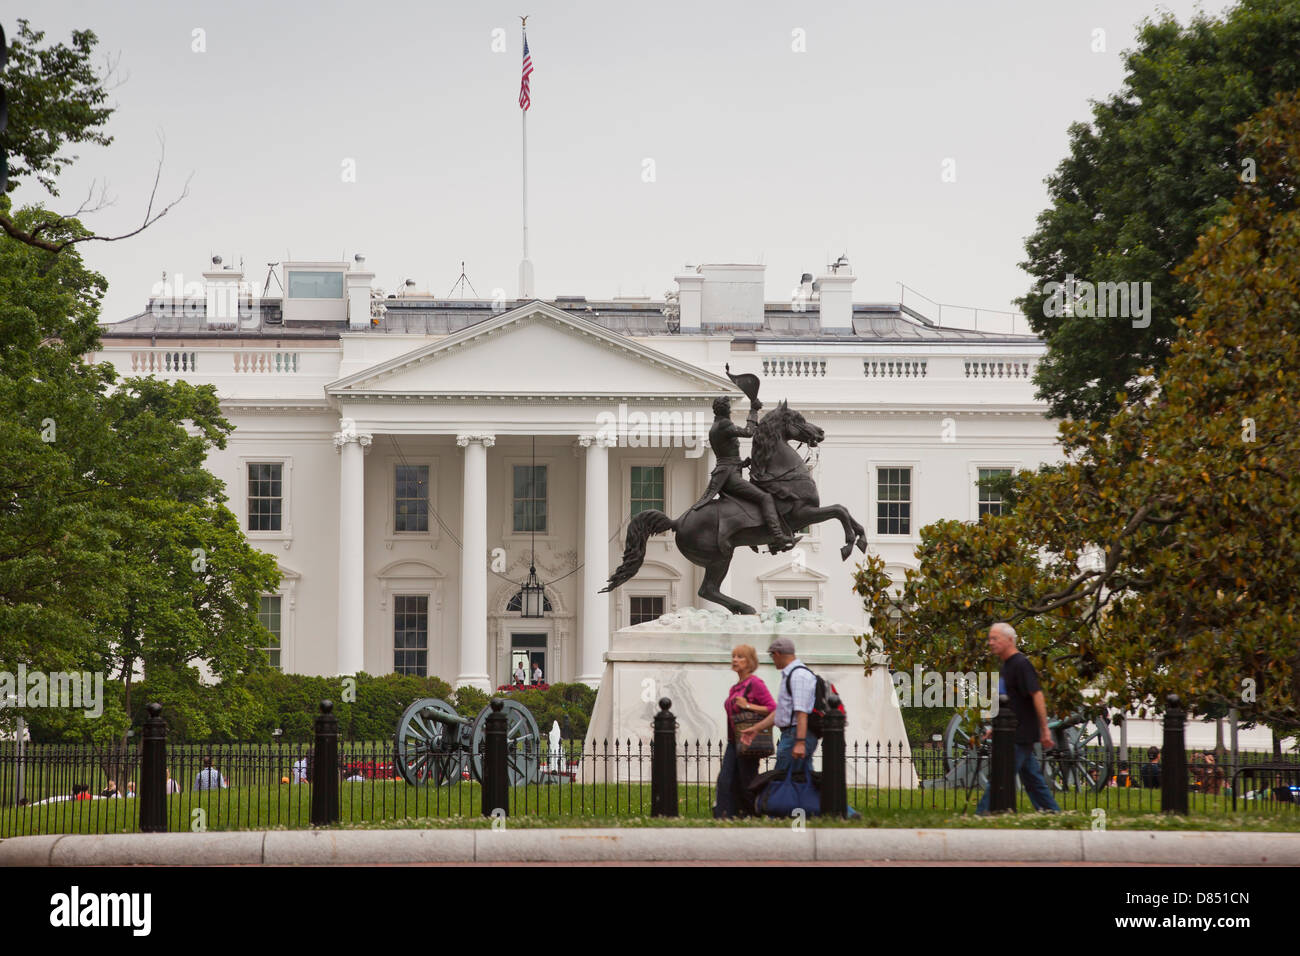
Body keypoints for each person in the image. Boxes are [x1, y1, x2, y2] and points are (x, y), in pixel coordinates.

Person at [688, 396, 795, 551]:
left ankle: (753, 535)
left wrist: (741, 463)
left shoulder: (716, 425)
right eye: (729, 407)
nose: (731, 409)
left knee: (751, 501)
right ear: (724, 409)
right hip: (729, 476)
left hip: (728, 471)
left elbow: (725, 456)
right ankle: (778, 537)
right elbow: (748, 432)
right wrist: (753, 410)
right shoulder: (724, 425)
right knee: (765, 498)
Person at [976, 622, 1060, 814]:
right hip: (1011, 731)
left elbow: (1036, 695)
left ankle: (982, 813)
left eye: (994, 638)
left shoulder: (1021, 664)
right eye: (989, 638)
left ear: (1010, 640)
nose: (990, 642)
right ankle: (1051, 810)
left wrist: (1045, 729)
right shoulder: (1007, 666)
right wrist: (995, 728)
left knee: (1001, 776)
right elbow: (1011, 703)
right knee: (1032, 778)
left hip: (1020, 733)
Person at [714, 643, 775, 818]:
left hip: (749, 740)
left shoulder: (755, 683)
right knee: (726, 780)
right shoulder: (735, 687)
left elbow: (772, 708)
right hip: (734, 741)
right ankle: (726, 815)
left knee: (747, 781)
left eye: (740, 657)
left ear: (749, 662)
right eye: (734, 656)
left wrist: (747, 705)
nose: (735, 660)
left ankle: (752, 814)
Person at [740, 637, 817, 774]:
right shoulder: (791, 675)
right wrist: (757, 728)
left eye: (772, 656)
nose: (772, 660)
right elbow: (781, 711)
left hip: (794, 735)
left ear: (777, 654)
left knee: (783, 780)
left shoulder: (798, 676)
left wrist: (800, 742)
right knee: (799, 781)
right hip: (792, 735)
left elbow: (802, 712)